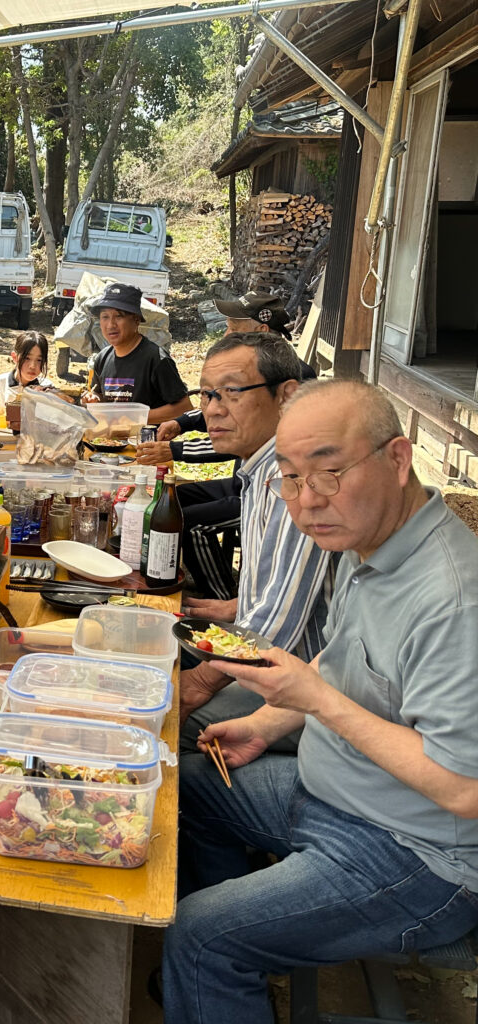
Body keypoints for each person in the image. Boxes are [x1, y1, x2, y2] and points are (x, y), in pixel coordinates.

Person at [164, 380, 478, 1023]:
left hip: (419, 856)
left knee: (201, 935)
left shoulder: (454, 601)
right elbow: (338, 669)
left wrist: (318, 702)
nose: (307, 501)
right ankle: (239, 967)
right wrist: (263, 723)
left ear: (398, 458)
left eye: (330, 472)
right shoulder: (371, 544)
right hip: (331, 793)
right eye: (290, 477)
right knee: (182, 791)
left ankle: (217, 961)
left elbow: (464, 788)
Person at [177, 333, 334, 750]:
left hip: (303, 681)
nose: (213, 409)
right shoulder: (258, 467)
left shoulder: (296, 479)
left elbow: (277, 623)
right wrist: (236, 606)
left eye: (232, 392)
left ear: (287, 396)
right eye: (207, 394)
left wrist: (201, 681)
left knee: (167, 716)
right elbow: (283, 587)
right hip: (265, 648)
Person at [132, 293, 317, 597]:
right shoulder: (245, 375)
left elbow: (238, 437)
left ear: (261, 332)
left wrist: (176, 450)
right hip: (242, 480)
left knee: (188, 521)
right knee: (170, 502)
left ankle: (220, 596)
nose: (226, 334)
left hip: (268, 490)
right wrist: (183, 423)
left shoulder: (293, 379)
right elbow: (220, 403)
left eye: (234, 329)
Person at [83, 282, 193, 423]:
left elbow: (184, 408)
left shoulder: (156, 359)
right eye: (105, 317)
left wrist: (136, 418)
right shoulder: (102, 358)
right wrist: (94, 399)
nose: (110, 325)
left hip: (148, 437)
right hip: (112, 435)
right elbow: (99, 394)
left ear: (136, 320)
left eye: (119, 316)